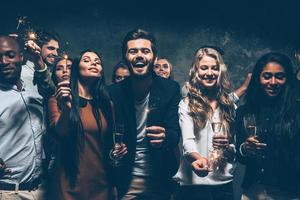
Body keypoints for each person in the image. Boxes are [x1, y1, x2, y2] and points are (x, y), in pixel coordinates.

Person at [108, 28, 181, 199]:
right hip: (125, 179)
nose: (139, 55)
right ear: (125, 58)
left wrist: (166, 137)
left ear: (154, 58)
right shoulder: (112, 93)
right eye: (133, 51)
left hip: (160, 177)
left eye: (145, 51)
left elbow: (174, 132)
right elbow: (104, 139)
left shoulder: (170, 89)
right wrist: (112, 152)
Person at [48, 49, 117, 199]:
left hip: (102, 183)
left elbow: (108, 144)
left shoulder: (106, 104)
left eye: (98, 62)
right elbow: (59, 133)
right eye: (87, 60)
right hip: (69, 183)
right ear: (76, 69)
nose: (94, 63)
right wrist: (67, 108)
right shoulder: (58, 99)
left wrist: (118, 150)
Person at [173, 47, 236, 200]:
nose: (209, 73)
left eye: (214, 68)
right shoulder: (186, 104)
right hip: (192, 186)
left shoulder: (230, 105)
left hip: (223, 187)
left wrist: (227, 147)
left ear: (220, 71)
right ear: (196, 71)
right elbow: (187, 143)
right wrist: (198, 159)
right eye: (204, 68)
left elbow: (233, 151)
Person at [236, 52, 300, 199]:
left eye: (279, 76)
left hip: (287, 192)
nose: (273, 82)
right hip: (252, 192)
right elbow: (240, 156)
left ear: (287, 79)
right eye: (267, 76)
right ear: (258, 78)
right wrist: (245, 148)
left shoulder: (297, 111)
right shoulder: (245, 112)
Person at [0, 35, 45, 199]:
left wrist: (39, 60)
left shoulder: (33, 88)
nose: (4, 62)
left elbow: (55, 95)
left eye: (10, 55)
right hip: (8, 193)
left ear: (21, 57)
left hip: (40, 190)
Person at [24, 30, 60, 98]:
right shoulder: (21, 73)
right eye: (51, 48)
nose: (56, 54)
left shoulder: (53, 77)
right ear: (37, 46)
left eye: (56, 49)